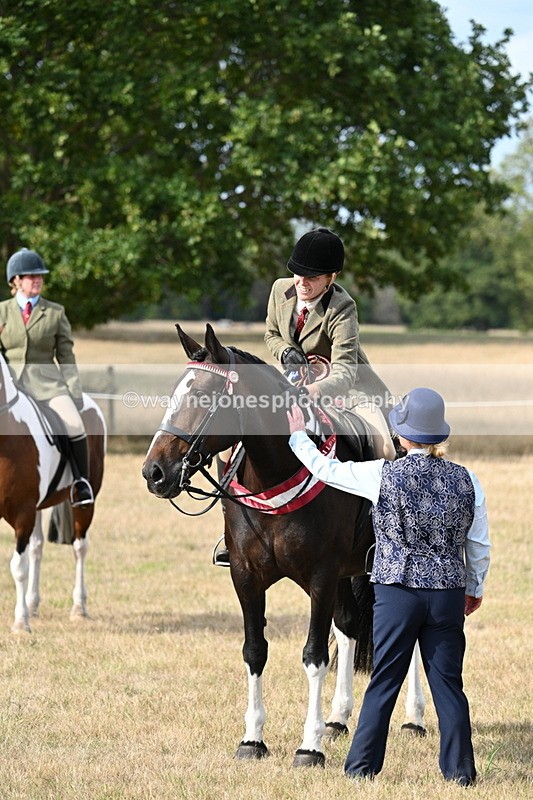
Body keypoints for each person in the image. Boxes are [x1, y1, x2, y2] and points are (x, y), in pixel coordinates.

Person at [286, 387, 490, 787]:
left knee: (385, 682)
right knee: (448, 685)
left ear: (401, 435)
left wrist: (296, 435)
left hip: (397, 594)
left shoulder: (382, 473)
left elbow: (326, 470)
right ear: (438, 436)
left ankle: (361, 768)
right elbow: (479, 543)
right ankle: (460, 773)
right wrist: (474, 586)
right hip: (447, 592)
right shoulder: (468, 479)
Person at [212, 227, 395, 566]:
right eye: (298, 273)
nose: (302, 281)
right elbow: (270, 333)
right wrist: (284, 353)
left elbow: (345, 372)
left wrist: (307, 392)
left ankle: (385, 535)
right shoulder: (280, 290)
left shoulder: (342, 307)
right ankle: (232, 535)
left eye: (312, 277)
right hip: (291, 383)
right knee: (231, 441)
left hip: (350, 389)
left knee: (383, 444)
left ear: (332, 277)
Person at [0, 247, 94, 506]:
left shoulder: (55, 312)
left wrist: (74, 394)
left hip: (47, 387)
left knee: (75, 424)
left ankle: (80, 483)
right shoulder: (2, 311)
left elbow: (66, 356)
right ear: (16, 281)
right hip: (10, 387)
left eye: (40, 276)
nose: (38, 280)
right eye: (32, 276)